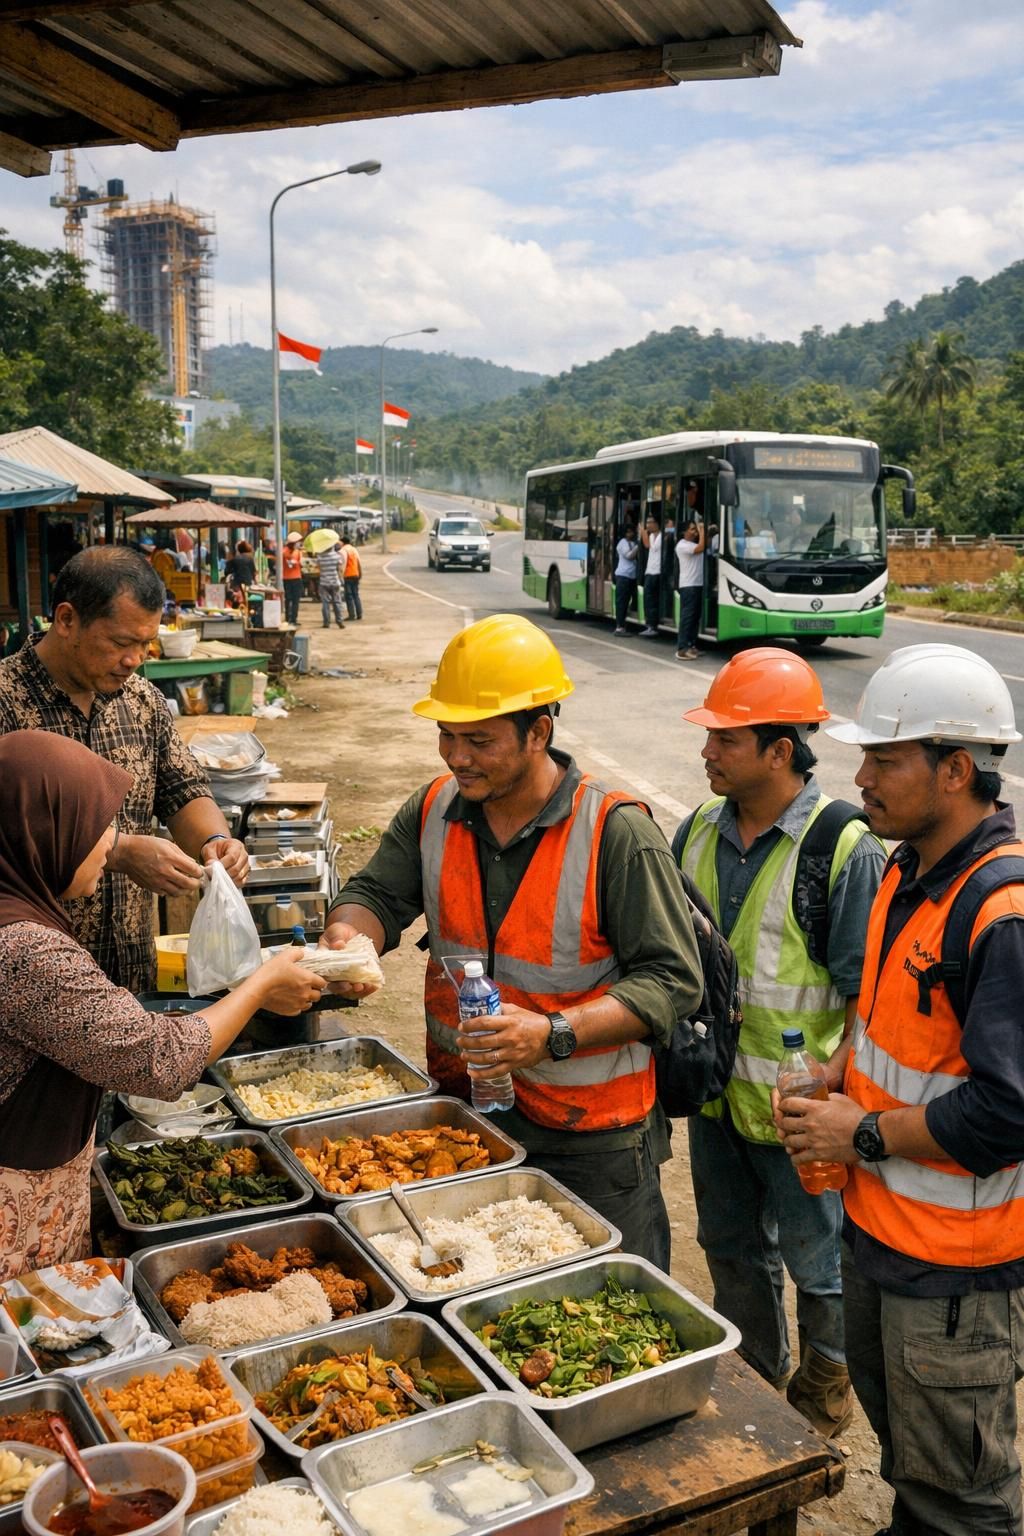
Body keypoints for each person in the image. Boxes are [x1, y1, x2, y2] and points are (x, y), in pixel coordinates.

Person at [320, 614, 703, 1264]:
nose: (456, 755)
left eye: (479, 740)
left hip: (592, 1141)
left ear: (539, 732)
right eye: (446, 734)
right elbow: (377, 896)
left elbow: (672, 983)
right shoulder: (433, 808)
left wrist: (551, 1034)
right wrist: (347, 941)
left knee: (605, 1303)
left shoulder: (615, 834)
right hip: (467, 1114)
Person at [776, 645, 1024, 1536]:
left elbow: (1009, 1114)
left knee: (965, 1495)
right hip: (882, 1239)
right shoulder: (905, 871)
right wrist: (833, 1080)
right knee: (914, 1463)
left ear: (955, 770)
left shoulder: (1002, 915)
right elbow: (889, 1030)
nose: (860, 776)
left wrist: (864, 1135)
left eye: (884, 760)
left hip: (957, 1276)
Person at [0, 730, 324, 1280]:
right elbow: (159, 1059)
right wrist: (262, 985)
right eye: (97, 822)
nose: (111, 843)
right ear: (45, 829)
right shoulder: (22, 949)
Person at [677, 648, 885, 1437]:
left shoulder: (841, 848)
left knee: (818, 1261)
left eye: (725, 740)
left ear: (780, 750)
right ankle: (757, 1378)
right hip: (717, 1097)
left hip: (804, 1108)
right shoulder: (696, 828)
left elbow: (874, 994)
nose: (707, 752)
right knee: (730, 1246)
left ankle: (826, 1378)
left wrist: (834, 1078)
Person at [0, 547, 249, 993]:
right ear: (66, 619)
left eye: (145, 643)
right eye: (120, 643)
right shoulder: (5, 701)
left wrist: (215, 843)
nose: (135, 659)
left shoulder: (143, 701)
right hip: (33, 982)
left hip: (133, 971)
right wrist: (118, 851)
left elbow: (184, 788)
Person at [674, 518, 706, 660]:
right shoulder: (682, 545)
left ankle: (691, 646)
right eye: (692, 529)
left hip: (697, 584)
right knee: (687, 618)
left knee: (695, 618)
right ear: (684, 532)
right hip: (688, 586)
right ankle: (682, 649)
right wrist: (703, 531)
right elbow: (701, 548)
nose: (695, 532)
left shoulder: (692, 543)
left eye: (695, 529)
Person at [639, 513, 662, 636]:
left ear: (657, 523)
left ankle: (652, 626)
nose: (648, 525)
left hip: (656, 572)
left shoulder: (661, 536)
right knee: (648, 600)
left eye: (650, 522)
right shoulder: (652, 535)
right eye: (647, 523)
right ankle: (650, 625)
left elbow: (647, 545)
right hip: (649, 571)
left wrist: (642, 532)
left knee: (652, 600)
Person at [612, 522, 638, 634]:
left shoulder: (632, 543)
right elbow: (629, 556)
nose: (631, 533)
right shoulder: (622, 543)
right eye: (629, 532)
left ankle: (623, 624)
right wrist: (638, 546)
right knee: (622, 602)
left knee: (628, 601)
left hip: (631, 576)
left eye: (632, 531)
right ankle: (619, 626)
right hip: (623, 576)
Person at [317, 536, 345, 629]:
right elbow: (340, 570)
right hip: (335, 582)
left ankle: (326, 622)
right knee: (337, 602)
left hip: (324, 583)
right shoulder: (337, 556)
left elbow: (319, 569)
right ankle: (339, 621)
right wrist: (341, 580)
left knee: (325, 603)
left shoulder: (320, 557)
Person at [281, 532, 304, 626]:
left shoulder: (283, 551)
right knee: (295, 600)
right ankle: (293, 619)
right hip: (295, 578)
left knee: (289, 599)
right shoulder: (295, 552)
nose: (299, 543)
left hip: (287, 578)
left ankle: (288, 618)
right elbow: (301, 564)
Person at [341, 537, 363, 621]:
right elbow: (359, 562)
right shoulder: (354, 549)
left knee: (349, 596)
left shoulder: (343, 550)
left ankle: (351, 615)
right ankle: (359, 613)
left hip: (348, 575)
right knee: (356, 595)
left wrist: (341, 575)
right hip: (355, 574)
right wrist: (360, 574)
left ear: (343, 543)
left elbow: (343, 563)